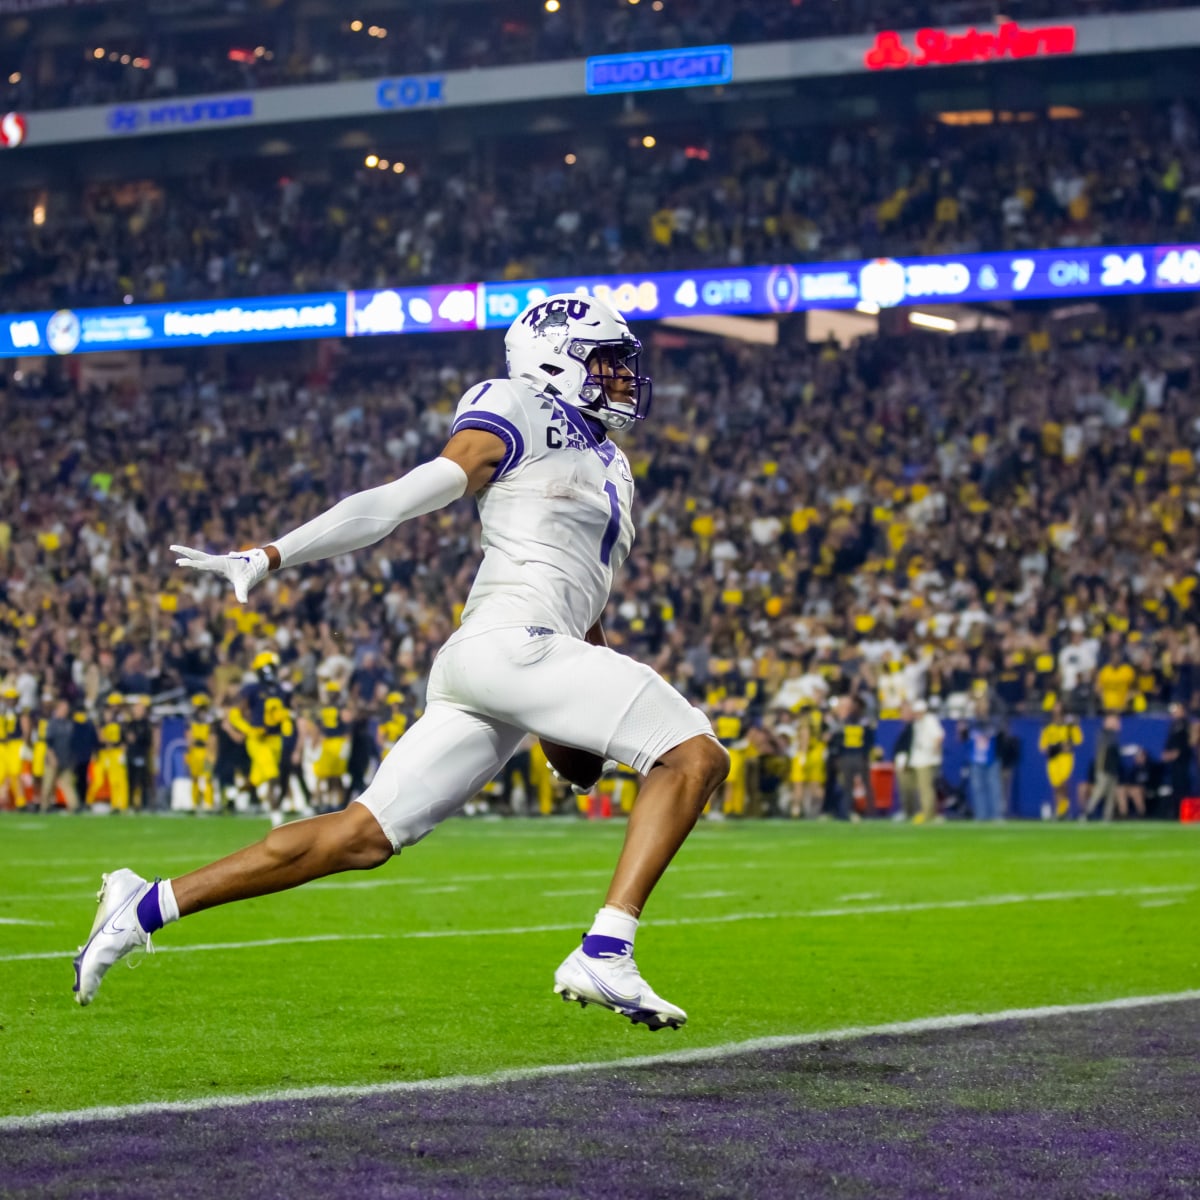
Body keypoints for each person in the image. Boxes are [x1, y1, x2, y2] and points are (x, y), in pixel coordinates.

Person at [72, 292, 730, 1030]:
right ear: (555, 360)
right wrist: (273, 552)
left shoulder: (613, 467)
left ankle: (144, 904)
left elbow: (583, 606)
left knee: (360, 836)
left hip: (516, 661)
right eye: (606, 362)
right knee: (695, 755)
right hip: (510, 643)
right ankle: (606, 948)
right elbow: (398, 500)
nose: (621, 379)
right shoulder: (514, 405)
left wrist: (575, 736)